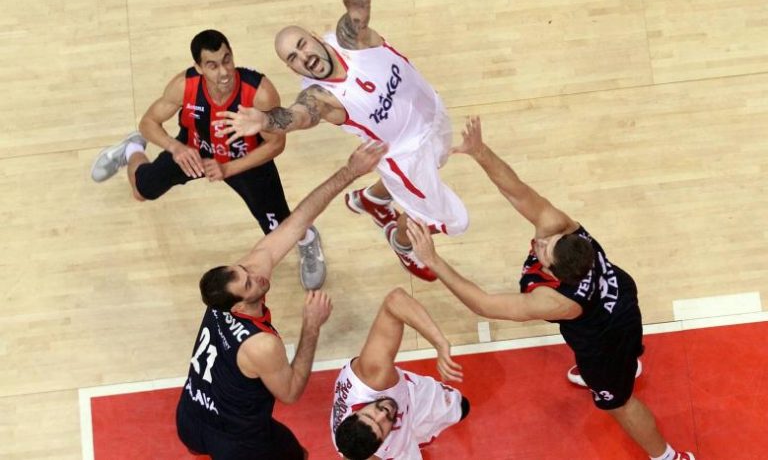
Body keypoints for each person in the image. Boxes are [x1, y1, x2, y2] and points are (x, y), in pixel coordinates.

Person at [406, 117, 696, 460]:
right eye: (551, 240)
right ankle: (627, 366)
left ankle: (668, 456)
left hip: (604, 338)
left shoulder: (556, 301)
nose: (541, 242)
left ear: (557, 273)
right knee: (623, 353)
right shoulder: (561, 227)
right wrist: (480, 152)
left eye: (545, 249)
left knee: (618, 402)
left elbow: (484, 305)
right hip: (620, 295)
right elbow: (517, 190)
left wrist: (433, 261)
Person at [214, 0, 468, 282]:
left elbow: (357, 7)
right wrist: (264, 119)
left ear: (317, 37)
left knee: (439, 161)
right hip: (405, 155)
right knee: (451, 219)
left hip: (431, 112)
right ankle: (403, 240)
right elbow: (297, 116)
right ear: (293, 70)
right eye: (294, 58)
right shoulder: (319, 95)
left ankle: (372, 200)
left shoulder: (351, 39)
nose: (305, 57)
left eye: (303, 45)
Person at [176, 140, 386, 460]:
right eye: (249, 282)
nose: (258, 275)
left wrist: (350, 171)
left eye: (244, 269)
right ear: (238, 305)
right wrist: (312, 326)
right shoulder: (261, 345)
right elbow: (289, 392)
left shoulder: (224, 297)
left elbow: (298, 221)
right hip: (239, 442)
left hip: (190, 418)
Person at [90, 29, 326, 289]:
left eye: (227, 60)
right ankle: (132, 149)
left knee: (281, 231)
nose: (223, 72)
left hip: (244, 160)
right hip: (194, 151)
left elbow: (276, 143)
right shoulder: (184, 85)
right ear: (199, 67)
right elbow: (149, 122)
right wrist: (175, 147)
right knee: (141, 190)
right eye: (212, 65)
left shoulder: (260, 92)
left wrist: (227, 167)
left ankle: (307, 239)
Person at [331, 287, 470, 460]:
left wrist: (439, 342)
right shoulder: (358, 447)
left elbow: (395, 301)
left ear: (353, 414)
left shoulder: (372, 376)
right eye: (381, 427)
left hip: (413, 397)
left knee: (461, 407)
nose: (384, 413)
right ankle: (413, 439)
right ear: (379, 445)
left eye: (370, 415)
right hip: (398, 451)